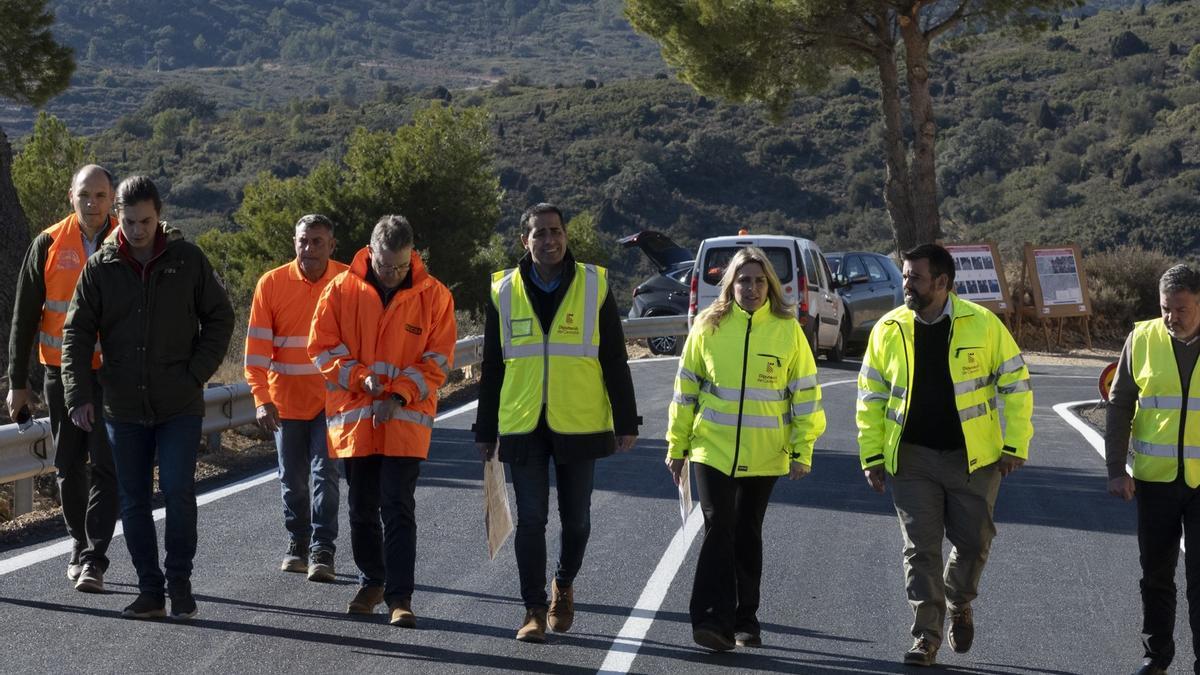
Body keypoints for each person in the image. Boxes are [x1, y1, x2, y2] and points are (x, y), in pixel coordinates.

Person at [61, 175, 234, 620]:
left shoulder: (187, 259)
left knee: (177, 490)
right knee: (134, 500)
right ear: (117, 216)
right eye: (130, 221)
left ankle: (180, 583)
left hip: (178, 404)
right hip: (122, 408)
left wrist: (195, 373)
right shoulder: (100, 267)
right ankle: (150, 591)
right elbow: (76, 334)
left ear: (159, 215)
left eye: (146, 221)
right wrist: (79, 393)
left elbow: (220, 317)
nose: (138, 230)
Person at [856, 243, 1032, 667]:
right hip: (911, 459)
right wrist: (872, 456)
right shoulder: (889, 328)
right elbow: (870, 396)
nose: (906, 285)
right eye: (904, 276)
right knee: (921, 549)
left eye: (914, 277)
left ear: (942, 282)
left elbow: (1017, 387)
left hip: (973, 459)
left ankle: (960, 600)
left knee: (974, 542)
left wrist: (1015, 444)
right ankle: (926, 637)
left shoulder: (983, 324)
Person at [474, 202, 639, 644]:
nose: (549, 240)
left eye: (555, 231)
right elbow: (492, 366)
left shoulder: (594, 284)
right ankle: (531, 609)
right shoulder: (503, 290)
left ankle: (562, 585)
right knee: (530, 519)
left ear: (565, 235)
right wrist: (484, 429)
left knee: (578, 521)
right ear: (524, 241)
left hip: (580, 421)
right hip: (523, 421)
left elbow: (614, 358)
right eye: (540, 233)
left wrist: (626, 419)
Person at [665, 246, 825, 652]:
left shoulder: (787, 330)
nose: (751, 287)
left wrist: (801, 450)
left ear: (770, 285)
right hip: (711, 448)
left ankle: (745, 619)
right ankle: (710, 621)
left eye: (758, 280)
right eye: (743, 280)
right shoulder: (708, 326)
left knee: (747, 531)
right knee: (719, 524)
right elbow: (685, 390)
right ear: (730, 285)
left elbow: (804, 395)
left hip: (765, 451)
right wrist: (677, 445)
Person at [309, 215, 456, 628]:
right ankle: (371, 580)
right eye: (385, 265)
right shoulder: (338, 291)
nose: (392, 274)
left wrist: (396, 394)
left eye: (400, 266)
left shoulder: (435, 296)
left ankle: (400, 596)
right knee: (360, 507)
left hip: (405, 421)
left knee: (397, 506)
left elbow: (438, 359)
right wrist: (360, 377)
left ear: (413, 256)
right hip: (357, 422)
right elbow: (321, 349)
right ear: (369, 253)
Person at [6, 164, 120, 593]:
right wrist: (18, 382)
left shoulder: (128, 241)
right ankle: (77, 540)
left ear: (112, 199)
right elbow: (24, 318)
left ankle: (94, 557)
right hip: (61, 374)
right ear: (70, 196)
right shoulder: (48, 243)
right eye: (84, 195)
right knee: (69, 465)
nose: (92, 204)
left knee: (107, 465)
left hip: (112, 376)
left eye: (100, 196)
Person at [1106, 265, 1200, 675]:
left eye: (1181, 309)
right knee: (1156, 575)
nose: (1171, 317)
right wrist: (1115, 468)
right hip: (1154, 480)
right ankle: (1156, 655)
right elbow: (1120, 403)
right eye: (1165, 308)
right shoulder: (1141, 338)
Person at [245, 214, 348, 581]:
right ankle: (298, 542)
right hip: (284, 403)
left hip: (333, 402)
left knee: (326, 474)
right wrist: (261, 398)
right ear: (294, 242)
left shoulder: (348, 281)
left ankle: (323, 548)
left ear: (332, 245)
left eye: (318, 241)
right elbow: (255, 352)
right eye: (303, 241)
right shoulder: (271, 284)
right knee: (292, 477)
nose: (310, 249)